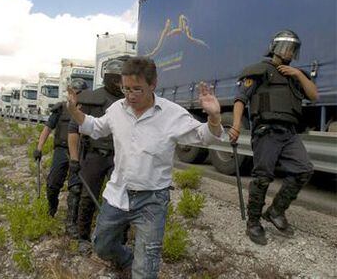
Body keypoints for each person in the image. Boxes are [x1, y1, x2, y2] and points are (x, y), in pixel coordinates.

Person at [67, 56, 223, 278]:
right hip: (117, 194)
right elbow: (95, 127)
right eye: (125, 89)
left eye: (137, 89)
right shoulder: (117, 109)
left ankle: (140, 265)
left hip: (152, 200)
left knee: (146, 267)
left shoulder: (172, 114)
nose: (130, 96)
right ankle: (127, 259)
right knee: (101, 245)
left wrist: (214, 118)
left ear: (153, 84)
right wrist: (74, 112)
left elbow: (204, 137)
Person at [228, 30, 318, 245]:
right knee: (263, 177)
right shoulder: (259, 71)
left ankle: (276, 211)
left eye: (292, 49)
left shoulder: (295, 76)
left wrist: (297, 74)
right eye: (285, 47)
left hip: (289, 133)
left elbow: (314, 96)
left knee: (304, 169)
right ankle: (253, 222)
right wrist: (236, 125)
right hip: (266, 132)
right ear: (275, 47)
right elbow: (241, 99)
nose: (289, 52)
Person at [68, 56, 128, 249]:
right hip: (94, 156)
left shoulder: (129, 101)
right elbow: (74, 129)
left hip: (119, 157)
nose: (119, 84)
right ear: (108, 78)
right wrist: (74, 159)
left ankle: (118, 240)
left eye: (122, 79)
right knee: (88, 197)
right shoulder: (89, 98)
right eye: (116, 79)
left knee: (121, 198)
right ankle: (83, 238)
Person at [33, 78, 88, 237]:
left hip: (79, 152)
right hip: (61, 151)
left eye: (78, 93)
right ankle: (51, 210)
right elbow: (47, 128)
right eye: (72, 92)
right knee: (52, 184)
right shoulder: (60, 109)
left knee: (76, 188)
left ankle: (71, 223)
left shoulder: (89, 108)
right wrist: (39, 148)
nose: (75, 95)